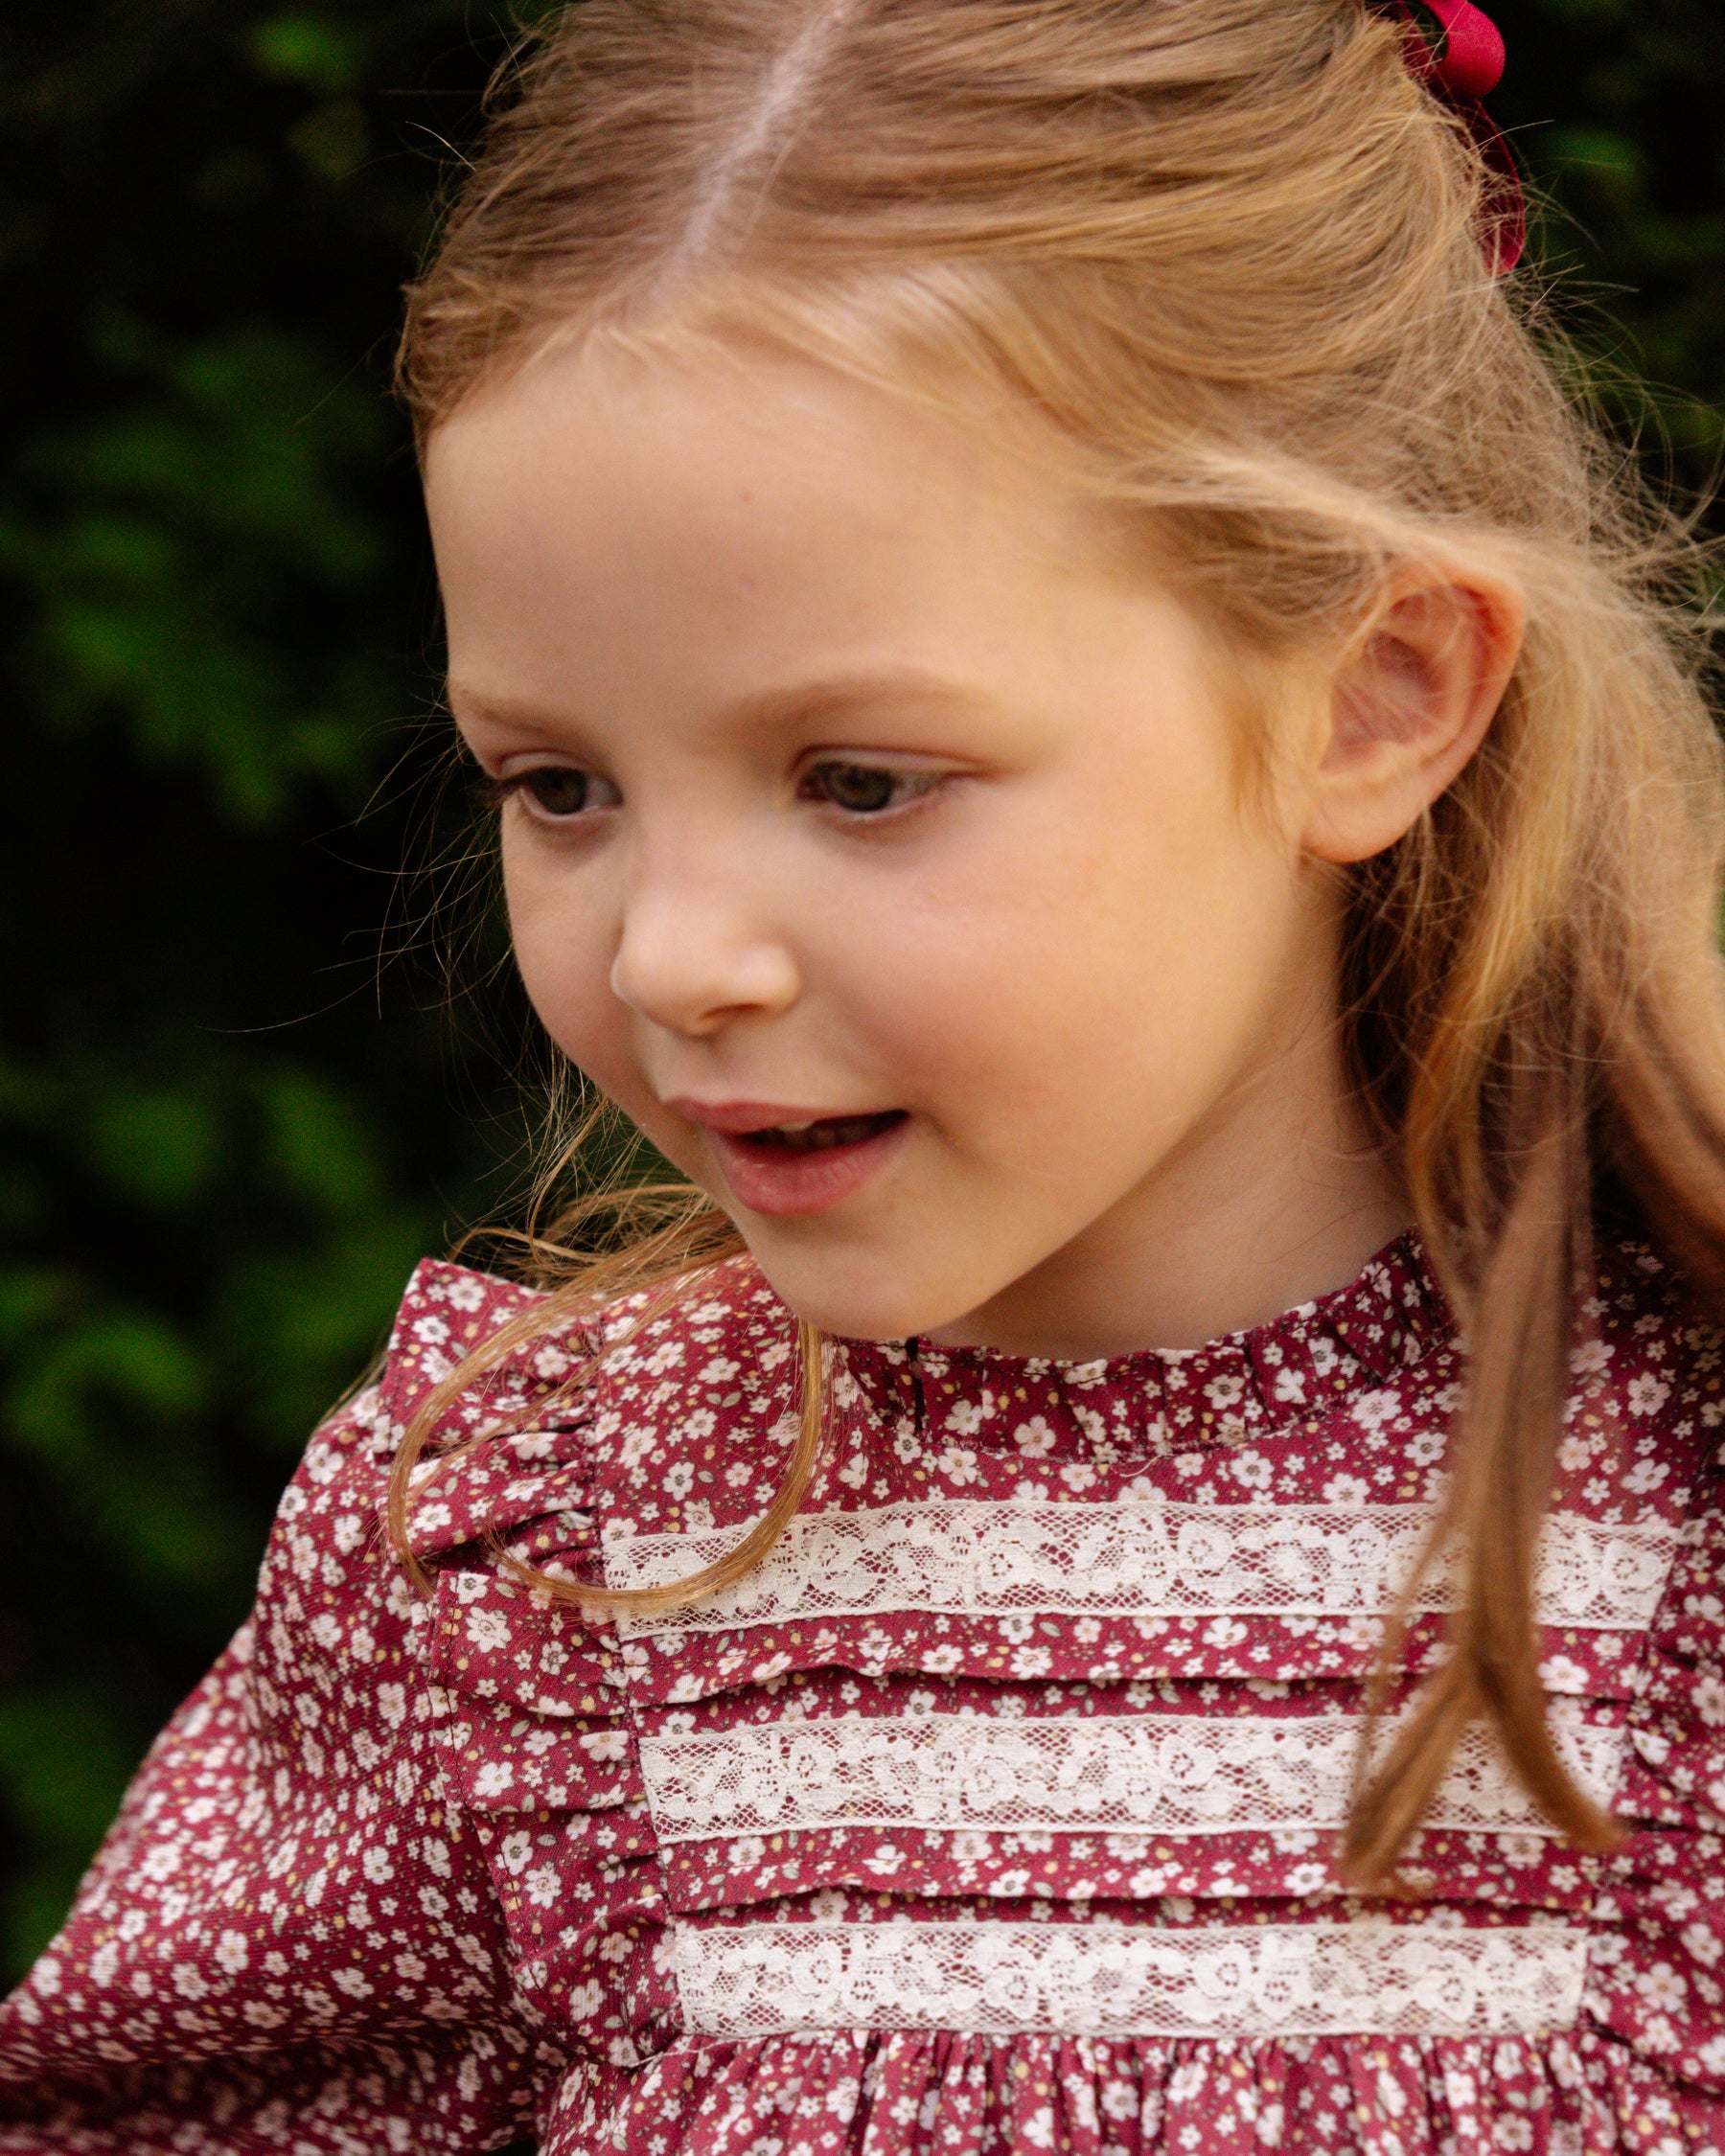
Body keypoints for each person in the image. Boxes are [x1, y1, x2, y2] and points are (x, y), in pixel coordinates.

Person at [7, 0, 1725, 2148]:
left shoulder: (1691, 1499)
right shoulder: (522, 1557)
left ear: (1375, 697)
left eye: (863, 780)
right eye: (557, 785)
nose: (674, 955)